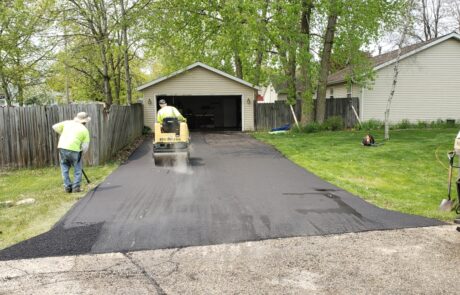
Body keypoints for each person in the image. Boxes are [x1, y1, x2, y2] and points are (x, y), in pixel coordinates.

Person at [52, 112, 91, 193]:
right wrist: (81, 153)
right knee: (77, 168)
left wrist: (62, 133)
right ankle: (76, 187)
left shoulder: (67, 123)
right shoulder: (85, 130)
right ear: (85, 122)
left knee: (64, 167)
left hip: (62, 147)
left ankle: (67, 187)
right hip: (74, 149)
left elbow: (54, 127)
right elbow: (85, 146)